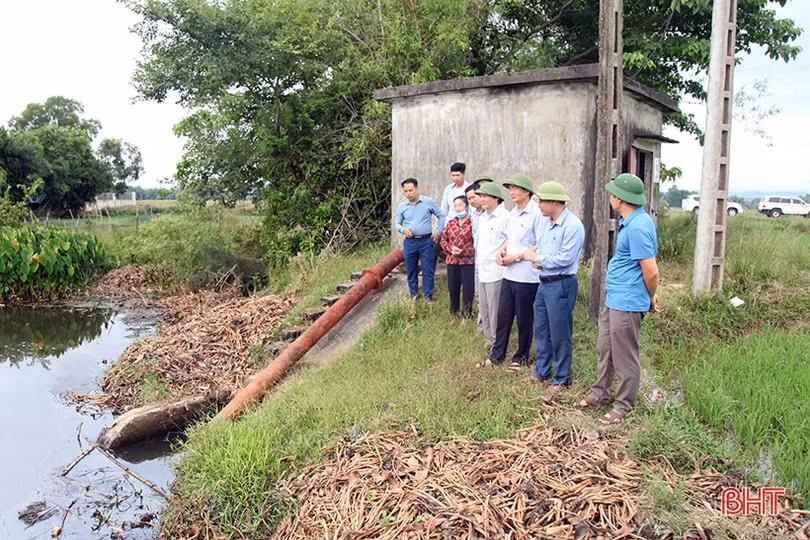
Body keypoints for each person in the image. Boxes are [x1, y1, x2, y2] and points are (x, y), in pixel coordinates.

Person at [575, 173, 659, 424]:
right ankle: (599, 394)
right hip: (615, 298)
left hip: (628, 300)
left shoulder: (639, 226)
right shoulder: (629, 223)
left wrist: (650, 297)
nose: (610, 197)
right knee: (605, 349)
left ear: (619, 198)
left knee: (624, 355)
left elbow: (651, 270)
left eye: (612, 193)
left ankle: (623, 406)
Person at [519, 182, 585, 401]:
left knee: (560, 332)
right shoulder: (546, 223)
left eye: (542, 201)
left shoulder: (573, 226)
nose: (538, 205)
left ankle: (561, 378)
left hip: (561, 284)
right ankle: (542, 370)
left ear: (555, 202)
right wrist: (539, 260)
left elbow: (566, 259)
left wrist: (537, 259)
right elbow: (543, 249)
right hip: (544, 282)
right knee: (543, 330)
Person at [488, 173, 542, 370]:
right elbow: (511, 238)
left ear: (526, 191)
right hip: (509, 274)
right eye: (509, 188)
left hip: (527, 276)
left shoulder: (536, 213)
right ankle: (497, 354)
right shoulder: (513, 213)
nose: (511, 192)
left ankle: (521, 356)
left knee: (524, 317)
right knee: (504, 316)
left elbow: (539, 245)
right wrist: (502, 250)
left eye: (515, 188)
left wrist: (516, 257)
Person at [473, 181, 509, 359]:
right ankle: (489, 340)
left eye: (485, 196)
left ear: (496, 198)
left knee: (496, 311)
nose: (482, 199)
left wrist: (503, 251)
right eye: (480, 196)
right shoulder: (482, 217)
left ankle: (497, 344)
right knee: (484, 309)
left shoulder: (505, 217)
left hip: (497, 271)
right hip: (483, 269)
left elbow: (512, 239)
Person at [395, 178, 446, 302]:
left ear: (417, 189)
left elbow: (441, 215)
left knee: (427, 269)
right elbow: (397, 224)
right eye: (405, 191)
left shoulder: (428, 202)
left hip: (426, 241)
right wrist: (403, 230)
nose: (408, 193)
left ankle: (428, 296)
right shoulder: (402, 206)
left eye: (411, 190)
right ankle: (414, 294)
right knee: (411, 269)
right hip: (410, 242)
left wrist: (438, 232)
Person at [441, 196, 475, 317]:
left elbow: (475, 243)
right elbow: (443, 240)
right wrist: (450, 249)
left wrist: (463, 251)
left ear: (466, 206)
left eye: (460, 205)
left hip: (467, 261)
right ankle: (453, 313)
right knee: (453, 288)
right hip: (452, 260)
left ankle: (467, 314)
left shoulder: (472, 223)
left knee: (467, 289)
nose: (458, 208)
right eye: (455, 206)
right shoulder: (451, 223)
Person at [436, 163, 471, 270]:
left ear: (464, 174)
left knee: (463, 250)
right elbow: (444, 209)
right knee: (440, 249)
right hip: (450, 225)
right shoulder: (448, 189)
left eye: (458, 175)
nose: (455, 178)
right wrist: (441, 228)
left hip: (465, 225)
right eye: (453, 175)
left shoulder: (469, 188)